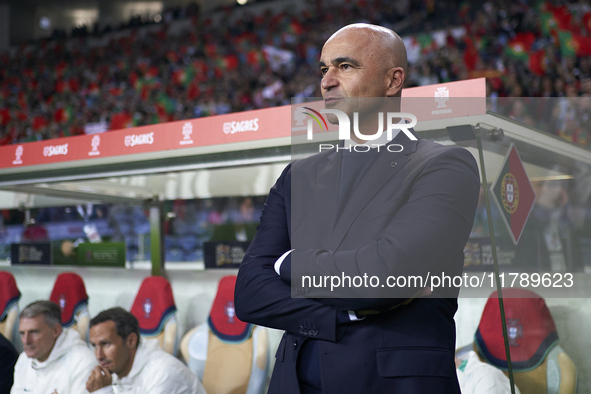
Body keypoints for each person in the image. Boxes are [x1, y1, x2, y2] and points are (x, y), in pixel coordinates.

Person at [235, 23, 481, 393]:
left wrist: (287, 264)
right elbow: (250, 293)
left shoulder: (444, 165)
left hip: (390, 383)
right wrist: (344, 312)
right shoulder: (299, 175)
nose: (327, 81)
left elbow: (383, 277)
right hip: (293, 381)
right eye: (323, 69)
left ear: (393, 80)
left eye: (345, 66)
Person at [86, 307, 206, 394]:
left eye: (106, 344)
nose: (99, 355)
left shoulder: (163, 373)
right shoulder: (117, 370)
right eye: (94, 346)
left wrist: (103, 392)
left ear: (131, 341)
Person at [11, 300, 98, 394]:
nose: (26, 341)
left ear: (56, 331)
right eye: (22, 333)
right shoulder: (23, 360)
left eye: (34, 332)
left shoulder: (83, 362)